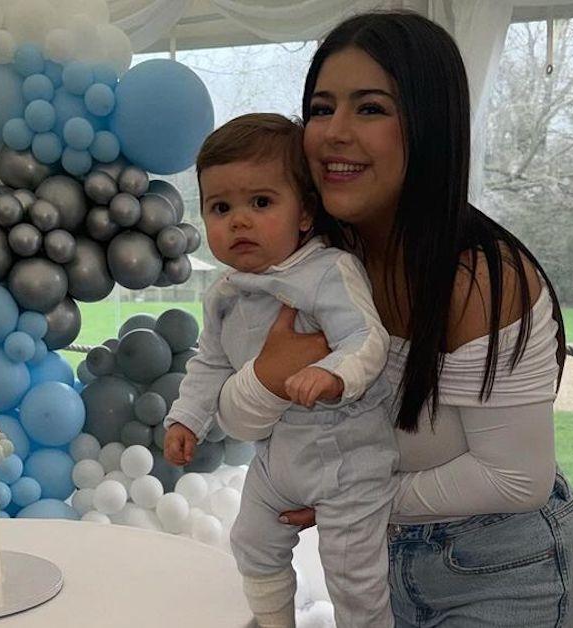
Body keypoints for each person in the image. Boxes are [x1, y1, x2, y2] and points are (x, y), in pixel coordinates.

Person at [213, 11, 573, 628]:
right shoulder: (316, 269)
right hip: (385, 563)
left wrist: (350, 492)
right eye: (320, 108)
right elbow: (238, 419)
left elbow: (514, 479)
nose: (334, 133)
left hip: (507, 572)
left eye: (370, 108)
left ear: (428, 125)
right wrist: (265, 377)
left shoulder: (476, 279)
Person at [162, 113, 399, 628]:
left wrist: (334, 374)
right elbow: (211, 362)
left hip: (345, 456)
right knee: (249, 540)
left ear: (305, 213)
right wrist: (186, 418)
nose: (239, 221)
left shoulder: (326, 271)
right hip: (276, 458)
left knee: (351, 572)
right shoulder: (224, 294)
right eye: (220, 208)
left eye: (261, 203)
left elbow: (366, 338)